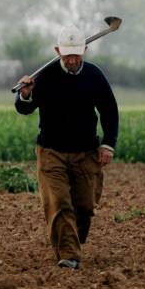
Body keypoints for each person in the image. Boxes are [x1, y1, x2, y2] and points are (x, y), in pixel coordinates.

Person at [14, 24, 119, 269]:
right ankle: (69, 255)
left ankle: (72, 241)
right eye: (67, 55)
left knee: (84, 207)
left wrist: (108, 145)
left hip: (86, 152)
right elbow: (24, 108)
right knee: (59, 204)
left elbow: (110, 112)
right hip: (52, 152)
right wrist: (26, 94)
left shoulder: (94, 76)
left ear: (84, 50)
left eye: (76, 55)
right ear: (57, 51)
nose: (72, 60)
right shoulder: (44, 77)